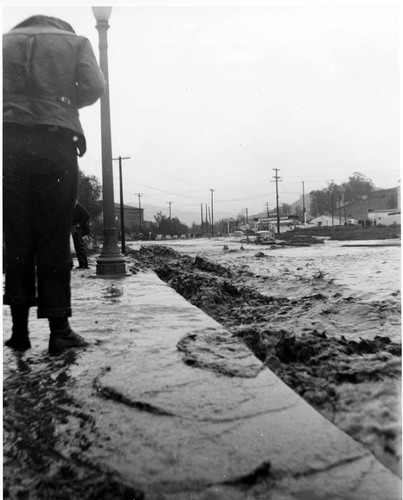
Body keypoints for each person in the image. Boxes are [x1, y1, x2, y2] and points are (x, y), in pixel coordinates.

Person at [3, 15, 105, 355]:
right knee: (54, 234)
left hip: (10, 143)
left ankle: (19, 333)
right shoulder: (75, 43)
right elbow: (93, 87)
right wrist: (60, 102)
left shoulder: (4, 42)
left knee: (15, 235)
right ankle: (59, 331)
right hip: (56, 140)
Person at [72, 201, 91, 269]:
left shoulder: (79, 207)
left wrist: (79, 224)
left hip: (79, 229)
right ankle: (82, 264)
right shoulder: (75, 207)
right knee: (77, 246)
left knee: (80, 246)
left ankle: (84, 265)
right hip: (75, 228)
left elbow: (87, 215)